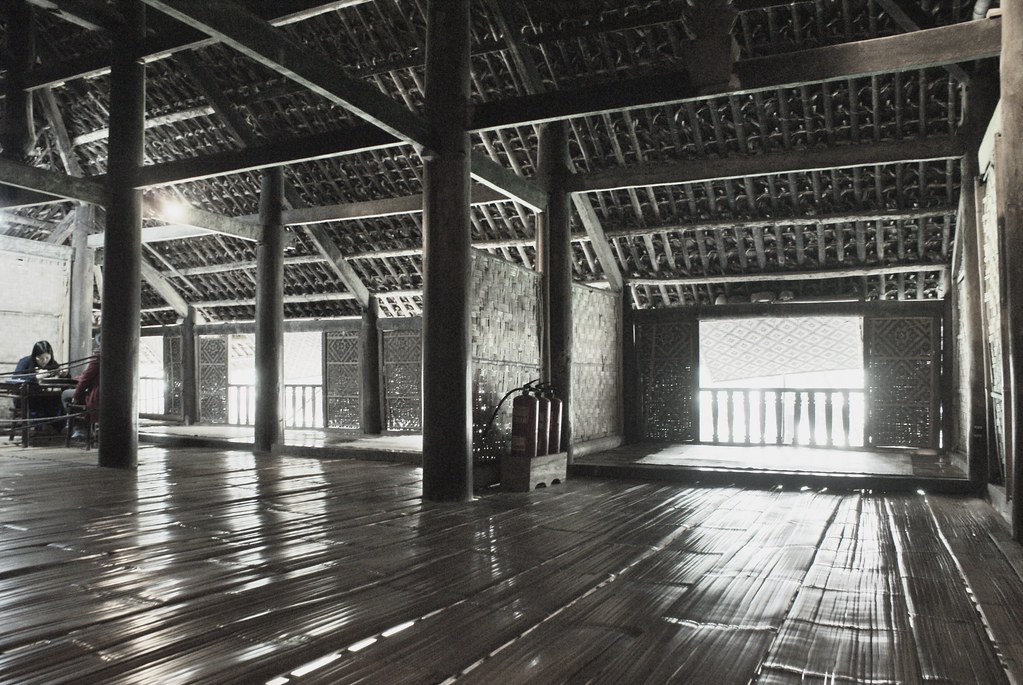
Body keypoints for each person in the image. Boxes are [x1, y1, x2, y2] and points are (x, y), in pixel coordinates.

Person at [11, 340, 64, 425]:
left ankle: (53, 429)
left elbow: (62, 375)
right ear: (35, 356)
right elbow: (15, 379)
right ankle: (40, 429)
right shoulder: (25, 362)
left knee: (59, 399)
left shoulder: (52, 364)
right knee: (43, 404)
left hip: (44, 396)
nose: (44, 361)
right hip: (25, 397)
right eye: (41, 358)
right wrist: (35, 377)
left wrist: (64, 374)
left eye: (47, 358)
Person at [63, 334, 100, 441]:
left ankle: (79, 427)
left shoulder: (98, 357)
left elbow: (85, 380)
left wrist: (76, 395)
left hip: (98, 397)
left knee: (66, 395)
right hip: (113, 397)